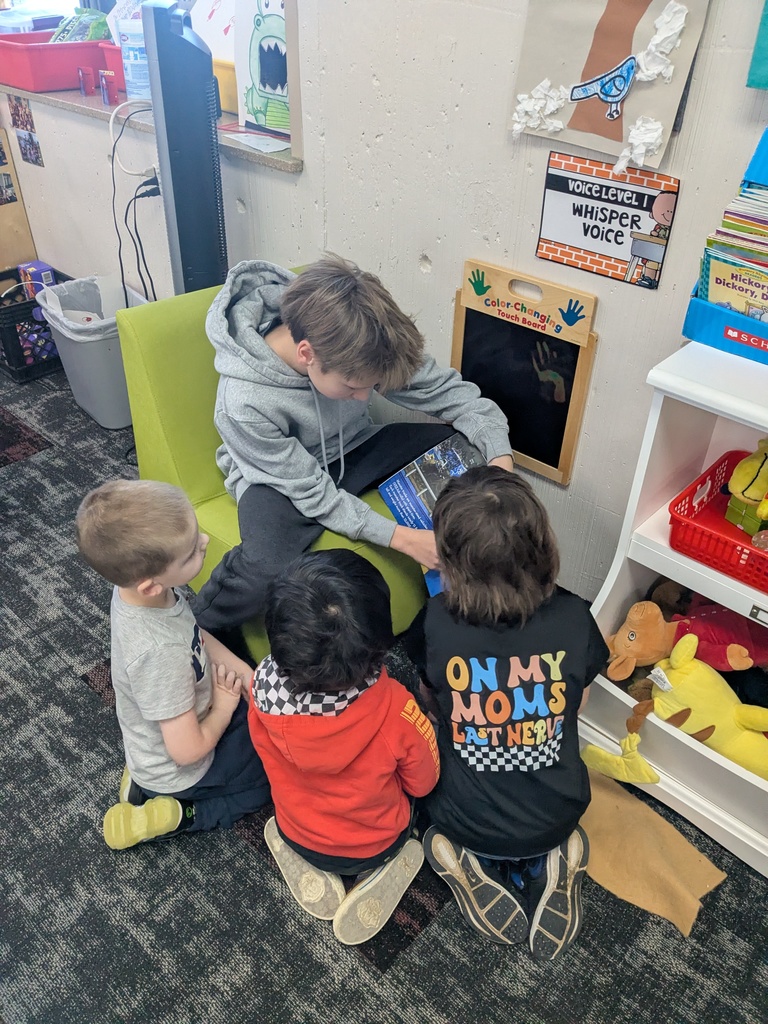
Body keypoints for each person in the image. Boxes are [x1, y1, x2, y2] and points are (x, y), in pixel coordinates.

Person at [191, 254, 513, 638]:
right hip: (276, 480)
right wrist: (406, 540)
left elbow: (456, 398)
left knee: (462, 454)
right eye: (353, 387)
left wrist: (499, 466)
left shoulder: (363, 342)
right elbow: (314, 494)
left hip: (354, 448)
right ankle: (198, 625)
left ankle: (455, 605)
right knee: (266, 568)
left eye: (372, 386)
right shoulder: (243, 402)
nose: (364, 398)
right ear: (307, 354)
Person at [403, 466, 609, 960]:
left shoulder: (436, 621)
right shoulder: (576, 616)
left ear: (449, 563)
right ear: (544, 547)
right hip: (559, 813)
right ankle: (551, 861)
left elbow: (429, 691)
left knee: (430, 727)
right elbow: (575, 703)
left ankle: (476, 865)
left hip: (465, 818)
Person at [248, 549, 440, 945]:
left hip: (296, 828)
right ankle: (384, 867)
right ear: (379, 644)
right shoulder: (396, 709)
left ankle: (305, 853)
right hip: (376, 842)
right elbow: (423, 782)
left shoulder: (259, 695)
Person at [75, 479, 270, 850]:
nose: (206, 543)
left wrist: (246, 674)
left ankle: (144, 778)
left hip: (170, 727)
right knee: (265, 782)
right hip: (183, 766)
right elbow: (187, 750)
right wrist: (227, 706)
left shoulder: (135, 589)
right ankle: (180, 815)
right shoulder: (158, 654)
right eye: (192, 553)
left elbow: (190, 630)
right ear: (150, 585)